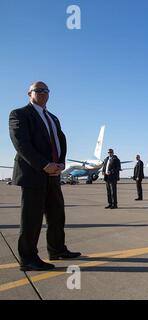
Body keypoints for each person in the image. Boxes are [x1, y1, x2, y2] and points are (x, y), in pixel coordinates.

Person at [8, 81, 81, 271]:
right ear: (29, 93)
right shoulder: (20, 114)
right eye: (38, 90)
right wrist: (44, 165)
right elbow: (21, 144)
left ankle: (57, 249)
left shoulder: (53, 118)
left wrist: (61, 163)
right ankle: (28, 259)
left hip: (54, 174)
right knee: (32, 219)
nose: (42, 93)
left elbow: (60, 141)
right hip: (33, 174)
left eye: (45, 90)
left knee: (57, 215)